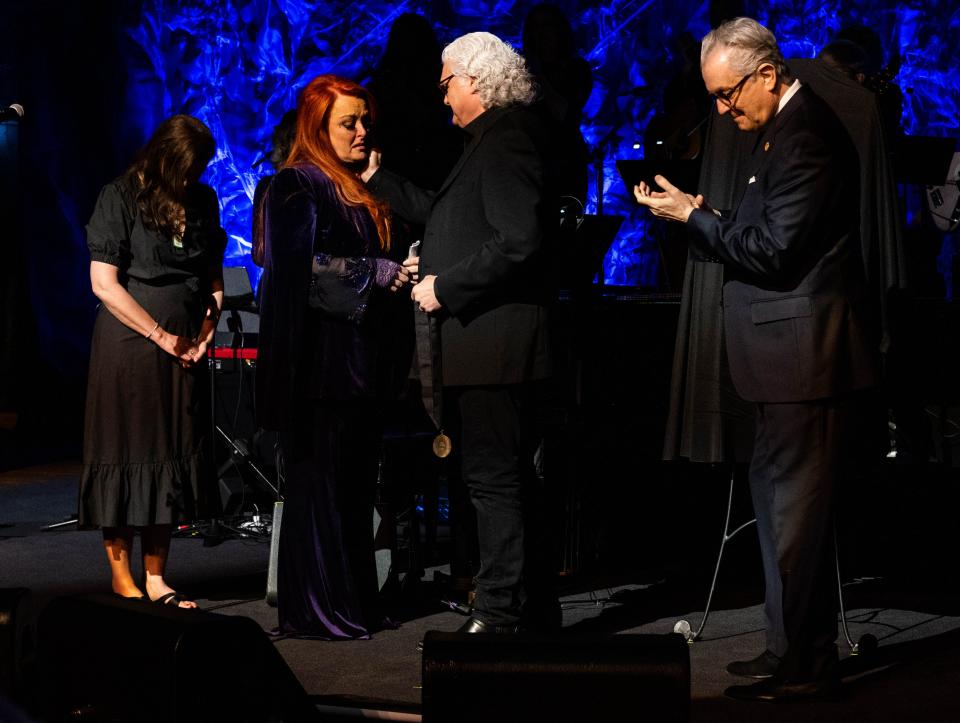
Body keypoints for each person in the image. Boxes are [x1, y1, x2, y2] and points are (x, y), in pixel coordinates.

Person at [636, 17, 880, 701]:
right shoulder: (778, 132)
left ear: (767, 75)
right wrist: (702, 210)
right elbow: (763, 231)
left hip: (806, 359)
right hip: (781, 361)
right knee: (779, 513)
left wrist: (693, 221)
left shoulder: (806, 137)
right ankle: (790, 649)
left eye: (726, 94)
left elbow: (774, 252)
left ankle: (803, 660)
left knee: (796, 517)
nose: (720, 108)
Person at [364, 31, 555, 634]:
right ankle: (529, 609)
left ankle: (500, 614)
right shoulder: (486, 141)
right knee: (502, 480)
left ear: (475, 79)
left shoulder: (508, 139)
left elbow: (519, 240)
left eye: (446, 83)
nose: (442, 97)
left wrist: (444, 286)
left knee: (494, 481)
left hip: (495, 348)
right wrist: (379, 179)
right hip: (485, 348)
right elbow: (451, 216)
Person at [255, 74, 408, 639]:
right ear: (318, 127)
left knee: (352, 491)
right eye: (350, 122)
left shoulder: (346, 184)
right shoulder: (295, 185)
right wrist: (376, 272)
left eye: (366, 120)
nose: (363, 130)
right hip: (317, 370)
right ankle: (320, 609)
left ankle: (354, 602)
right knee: (320, 489)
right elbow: (298, 272)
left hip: (357, 366)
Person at [80, 114, 226, 608]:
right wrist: (162, 336)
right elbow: (104, 283)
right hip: (131, 346)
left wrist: (206, 332)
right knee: (126, 453)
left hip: (185, 347)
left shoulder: (202, 200)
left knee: (169, 454)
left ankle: (158, 576)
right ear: (163, 156)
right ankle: (123, 577)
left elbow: (212, 278)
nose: (191, 179)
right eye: (185, 169)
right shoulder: (120, 197)